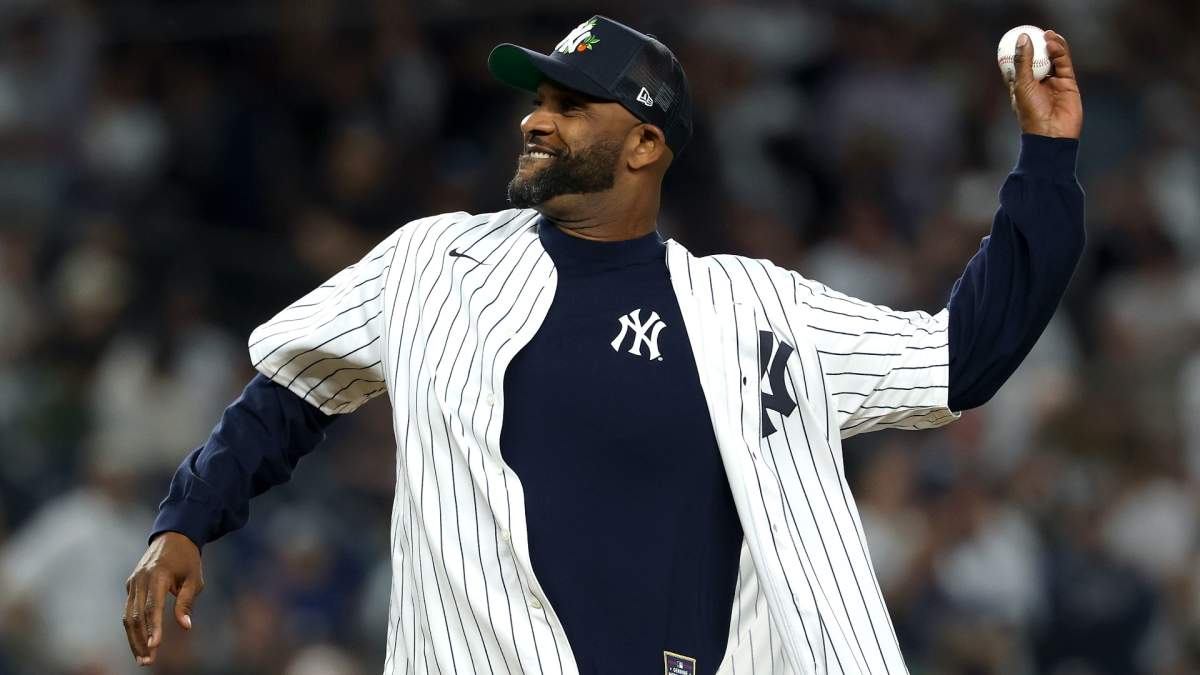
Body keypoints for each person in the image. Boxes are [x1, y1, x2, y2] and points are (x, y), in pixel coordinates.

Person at [123, 15, 1084, 674]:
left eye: (573, 104)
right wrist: (186, 518)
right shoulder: (431, 262)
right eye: (539, 96)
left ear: (645, 145)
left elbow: (960, 357)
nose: (536, 116)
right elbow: (290, 392)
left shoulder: (756, 312)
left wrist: (1046, 162)